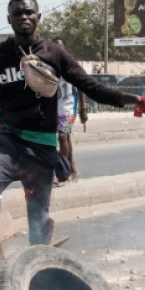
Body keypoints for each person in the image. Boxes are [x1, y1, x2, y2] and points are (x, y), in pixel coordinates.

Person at [0, 0, 142, 245]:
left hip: (43, 149)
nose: (23, 16)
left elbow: (92, 87)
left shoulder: (54, 53)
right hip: (8, 144)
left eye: (29, 12)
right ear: (9, 19)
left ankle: (39, 270)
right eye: (17, 13)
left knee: (38, 218)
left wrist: (129, 99)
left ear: (38, 17)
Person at [51, 37, 87, 182]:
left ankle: (62, 171)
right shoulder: (48, 67)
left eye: (60, 47)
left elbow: (81, 86)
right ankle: (73, 168)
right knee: (65, 139)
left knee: (62, 136)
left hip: (68, 108)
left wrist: (83, 108)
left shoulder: (71, 66)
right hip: (53, 109)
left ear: (65, 49)